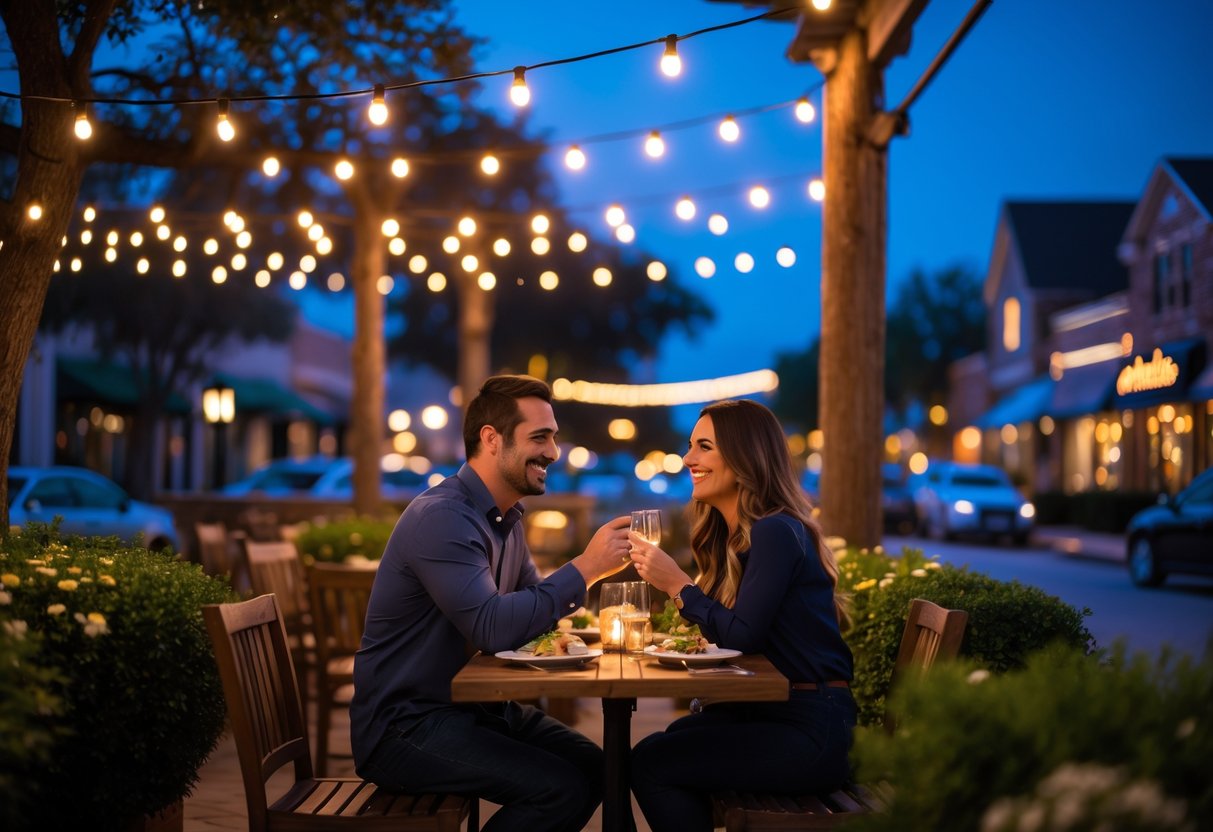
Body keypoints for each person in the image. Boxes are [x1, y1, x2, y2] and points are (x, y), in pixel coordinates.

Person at [351, 374, 632, 832]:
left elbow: (531, 615)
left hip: (475, 710)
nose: (553, 452)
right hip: (406, 727)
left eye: (554, 437)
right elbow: (494, 628)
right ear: (491, 439)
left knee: (600, 767)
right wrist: (587, 568)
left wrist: (576, 613)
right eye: (539, 438)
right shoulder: (442, 517)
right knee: (559, 788)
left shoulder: (508, 519)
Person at [627, 398, 855, 832]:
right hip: (780, 712)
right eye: (690, 445)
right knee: (670, 740)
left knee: (652, 763)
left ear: (744, 456)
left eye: (705, 447)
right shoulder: (742, 534)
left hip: (812, 730)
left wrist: (678, 585)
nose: (688, 458)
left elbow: (742, 637)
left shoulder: (775, 530)